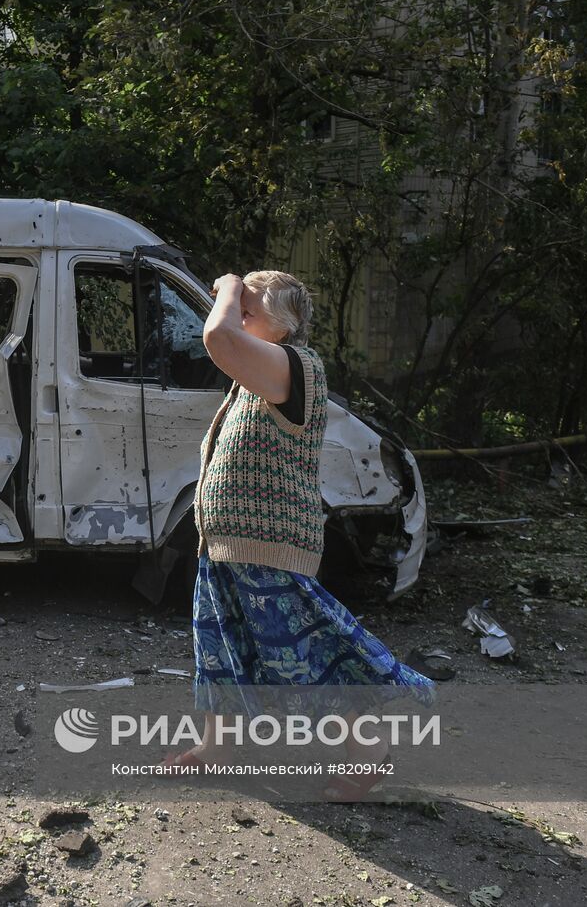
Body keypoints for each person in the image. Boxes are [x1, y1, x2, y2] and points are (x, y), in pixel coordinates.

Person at [158, 270, 435, 801]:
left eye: (249, 308)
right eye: (238, 305)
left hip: (273, 547)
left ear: (284, 324)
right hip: (227, 546)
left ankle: (369, 755)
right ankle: (215, 752)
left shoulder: (299, 367)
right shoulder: (255, 377)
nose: (237, 312)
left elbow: (216, 338)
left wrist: (231, 283)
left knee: (310, 651)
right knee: (222, 650)